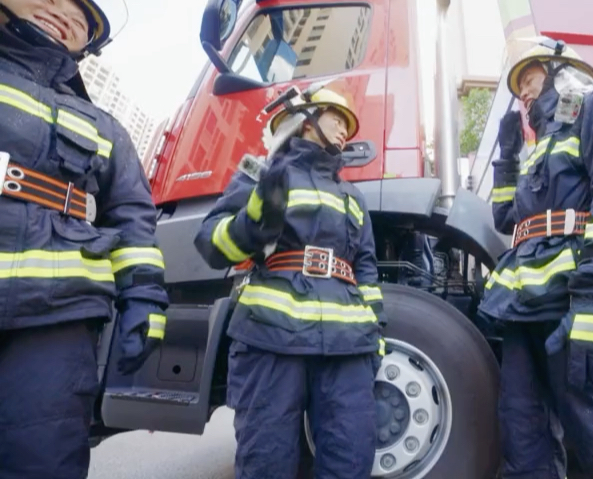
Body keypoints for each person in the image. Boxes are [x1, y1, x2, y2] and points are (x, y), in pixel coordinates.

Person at [0, 0, 169, 477]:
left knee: (44, 460)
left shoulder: (104, 127)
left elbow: (134, 218)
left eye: (80, 15)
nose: (63, 12)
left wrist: (144, 301)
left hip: (58, 320)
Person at [478, 37, 593, 478]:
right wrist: (506, 159)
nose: (524, 92)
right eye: (519, 86)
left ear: (560, 70)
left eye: (531, 77)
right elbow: (506, 218)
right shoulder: (540, 146)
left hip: (575, 302)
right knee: (524, 444)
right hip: (524, 311)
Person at [194, 82, 386, 479]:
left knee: (352, 458)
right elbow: (211, 245)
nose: (343, 131)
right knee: (267, 459)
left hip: (348, 347)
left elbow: (365, 268)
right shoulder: (264, 176)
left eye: (347, 126)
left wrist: (375, 336)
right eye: (335, 118)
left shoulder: (353, 196)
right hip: (270, 338)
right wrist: (253, 223)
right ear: (305, 121)